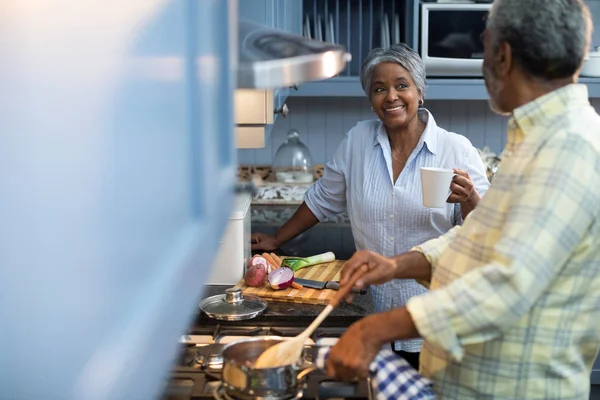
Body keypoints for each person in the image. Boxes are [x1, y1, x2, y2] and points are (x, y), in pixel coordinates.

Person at [326, 1, 600, 399]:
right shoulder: (539, 138)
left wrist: (374, 328)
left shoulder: (567, 146)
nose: (482, 61)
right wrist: (396, 265)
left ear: (502, 56)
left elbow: (506, 284)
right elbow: (480, 236)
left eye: (484, 48)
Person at [252, 43, 490, 369]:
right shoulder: (358, 142)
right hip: (370, 315)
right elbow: (323, 198)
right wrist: (277, 239)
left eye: (401, 85)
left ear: (420, 92)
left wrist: (471, 201)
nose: (391, 96)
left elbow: (487, 232)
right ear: (371, 101)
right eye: (380, 89)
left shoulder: (456, 149)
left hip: (432, 322)